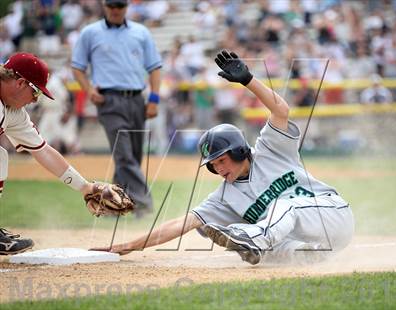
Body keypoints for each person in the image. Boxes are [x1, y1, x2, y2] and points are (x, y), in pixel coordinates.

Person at [93, 50, 354, 265]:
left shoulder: (271, 149)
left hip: (331, 215)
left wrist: (249, 80)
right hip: (316, 241)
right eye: (213, 165)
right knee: (279, 252)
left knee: (282, 206)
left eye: (221, 160)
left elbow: (281, 110)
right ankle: (302, 254)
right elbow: (180, 224)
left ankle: (252, 237)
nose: (218, 169)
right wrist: (126, 246)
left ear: (240, 150)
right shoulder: (223, 197)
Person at [71, 0, 162, 216]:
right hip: (108, 101)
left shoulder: (141, 32)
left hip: (137, 100)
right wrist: (88, 90)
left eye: (119, 6)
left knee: (134, 158)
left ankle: (112, 209)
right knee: (124, 157)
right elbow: (77, 67)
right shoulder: (89, 33)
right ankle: (145, 207)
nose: (115, 10)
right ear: (104, 6)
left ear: (126, 7)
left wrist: (154, 99)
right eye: (111, 5)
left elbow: (155, 67)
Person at [0, 52, 96, 255]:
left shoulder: (13, 111)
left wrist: (85, 187)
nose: (35, 100)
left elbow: (43, 151)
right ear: (20, 83)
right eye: (35, 92)